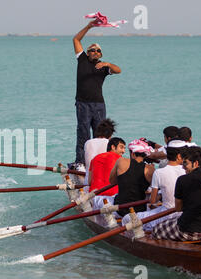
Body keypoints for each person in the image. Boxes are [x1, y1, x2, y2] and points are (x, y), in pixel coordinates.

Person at [70, 20, 121, 171]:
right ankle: (81, 162)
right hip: (83, 104)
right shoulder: (82, 60)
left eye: (98, 51)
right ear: (87, 52)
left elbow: (119, 70)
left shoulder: (104, 67)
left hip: (99, 104)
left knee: (103, 135)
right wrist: (89, 26)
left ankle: (104, 162)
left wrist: (107, 64)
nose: (95, 52)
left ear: (101, 54)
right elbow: (76, 39)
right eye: (92, 50)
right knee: (83, 132)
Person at [152, 147, 201, 241]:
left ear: (196, 163)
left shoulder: (182, 180)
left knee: (156, 229)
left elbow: (178, 208)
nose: (183, 167)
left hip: (190, 230)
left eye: (185, 163)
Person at [121, 140, 186, 231]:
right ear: (179, 156)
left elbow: (152, 201)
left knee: (127, 218)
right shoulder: (187, 171)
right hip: (184, 214)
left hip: (167, 214)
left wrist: (160, 195)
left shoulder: (159, 172)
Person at [109, 139, 155, 216]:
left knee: (98, 200)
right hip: (140, 210)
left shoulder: (121, 161)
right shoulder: (151, 169)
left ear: (133, 154)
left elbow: (112, 181)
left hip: (120, 209)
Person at [88, 137, 125, 209]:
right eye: (121, 147)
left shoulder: (94, 158)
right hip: (112, 198)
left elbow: (90, 182)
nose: (123, 151)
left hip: (95, 198)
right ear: (113, 147)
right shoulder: (120, 160)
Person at [84, 118, 117, 183]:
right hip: (103, 184)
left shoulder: (88, 143)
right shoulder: (109, 144)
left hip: (87, 182)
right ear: (110, 135)